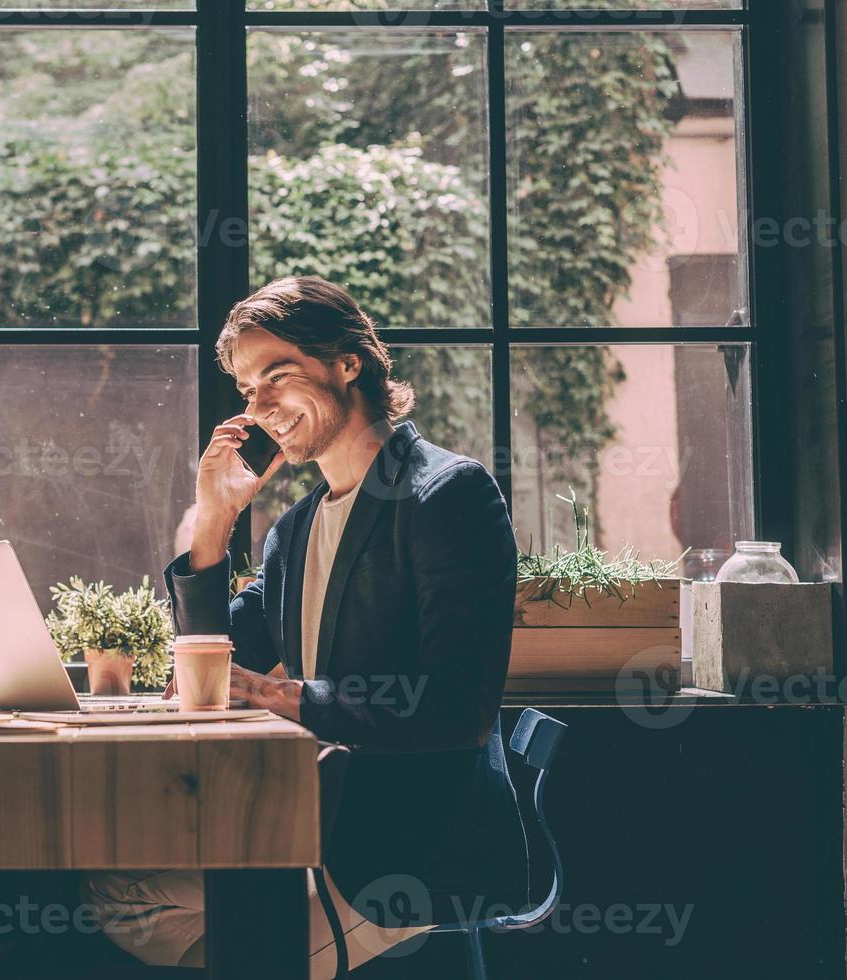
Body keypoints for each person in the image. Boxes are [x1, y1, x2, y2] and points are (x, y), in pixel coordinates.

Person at [83, 276, 529, 975]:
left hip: (403, 851)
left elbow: (455, 710)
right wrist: (214, 519)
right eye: (246, 389)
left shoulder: (445, 495)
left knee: (210, 926)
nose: (258, 407)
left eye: (277, 376)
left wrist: (271, 696)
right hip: (309, 828)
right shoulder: (293, 531)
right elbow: (208, 658)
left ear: (348, 363)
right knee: (114, 890)